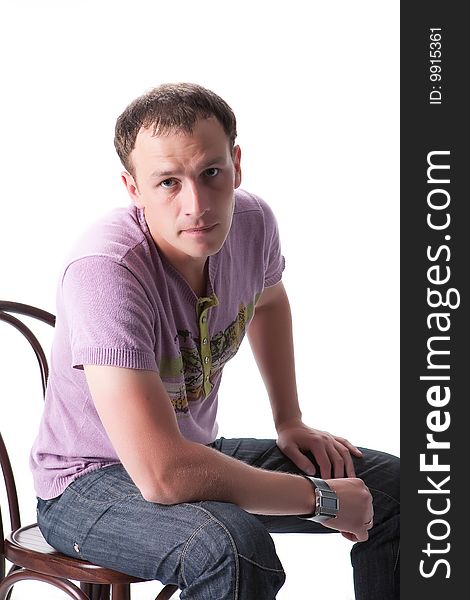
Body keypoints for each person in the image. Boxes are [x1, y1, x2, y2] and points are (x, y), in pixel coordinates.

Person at [31, 82, 400, 599]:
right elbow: (163, 475)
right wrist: (321, 498)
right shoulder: (106, 271)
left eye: (211, 173)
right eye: (167, 183)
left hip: (191, 452)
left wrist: (289, 420)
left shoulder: (252, 223)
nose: (196, 205)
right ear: (132, 188)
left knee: (403, 492)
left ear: (237, 165)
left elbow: (268, 303)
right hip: (87, 484)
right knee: (230, 546)